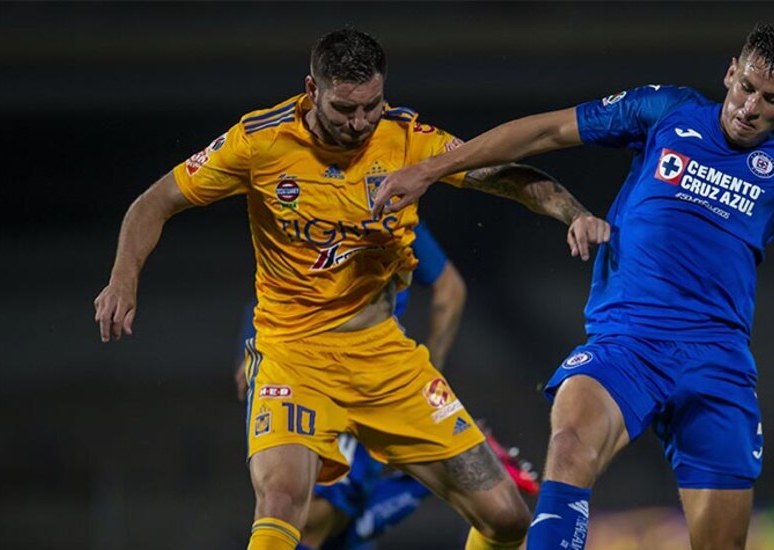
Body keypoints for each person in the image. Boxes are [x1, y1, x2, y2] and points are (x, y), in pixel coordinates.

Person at [370, 22, 774, 550]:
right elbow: (548, 132)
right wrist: (431, 168)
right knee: (571, 441)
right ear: (730, 72)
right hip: (627, 343)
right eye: (745, 88)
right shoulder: (667, 112)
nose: (750, 108)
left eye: (771, 100)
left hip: (717, 365)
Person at [93, 28, 607, 550]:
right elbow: (154, 201)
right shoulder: (259, 141)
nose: (360, 123)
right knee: (283, 502)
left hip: (384, 358)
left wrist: (574, 212)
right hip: (294, 356)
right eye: (344, 109)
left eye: (372, 107)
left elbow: (509, 175)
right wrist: (122, 280)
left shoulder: (408, 140)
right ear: (311, 90)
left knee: (507, 519)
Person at [232, 221, 539, 549]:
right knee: (326, 524)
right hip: (304, 372)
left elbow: (449, 288)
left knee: (314, 520)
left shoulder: (388, 207)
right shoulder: (300, 201)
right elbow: (279, 287)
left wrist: (421, 381)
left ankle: (431, 475)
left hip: (369, 376)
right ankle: (426, 480)